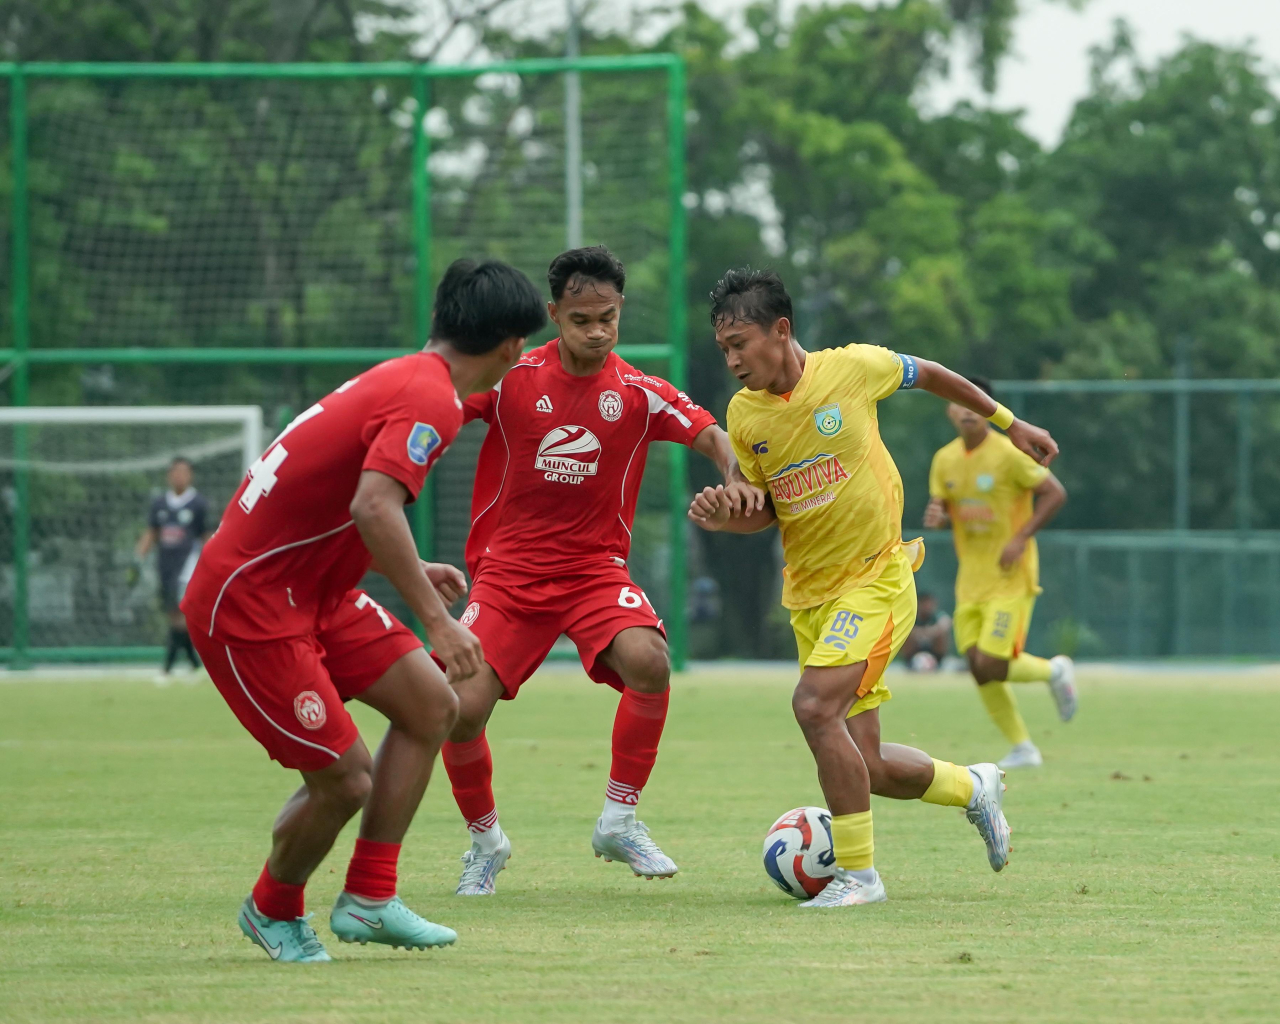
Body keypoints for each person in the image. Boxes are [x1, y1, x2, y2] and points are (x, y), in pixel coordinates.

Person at [180, 259, 546, 962]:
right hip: (251, 604)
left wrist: (407, 563)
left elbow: (335, 506)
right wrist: (436, 621)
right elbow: (372, 505)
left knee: (431, 705)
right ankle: (273, 907)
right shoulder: (431, 401)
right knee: (343, 780)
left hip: (316, 591)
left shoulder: (406, 377)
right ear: (510, 348)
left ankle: (369, 899)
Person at [689, 268, 1061, 909]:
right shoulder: (744, 415)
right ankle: (974, 787)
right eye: (723, 348)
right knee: (872, 765)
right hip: (810, 595)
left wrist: (1008, 423)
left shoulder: (854, 368)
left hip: (877, 578)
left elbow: (933, 373)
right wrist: (732, 517)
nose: (732, 359)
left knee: (813, 707)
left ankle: (858, 876)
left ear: (781, 330)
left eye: (740, 343)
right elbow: (767, 508)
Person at [440, 246, 761, 896]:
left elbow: (709, 434)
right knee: (456, 709)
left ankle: (619, 820)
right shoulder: (511, 379)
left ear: (620, 314)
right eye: (581, 318)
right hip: (509, 578)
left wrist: (735, 476)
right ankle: (485, 843)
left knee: (650, 661)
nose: (596, 331)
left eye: (608, 318)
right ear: (554, 314)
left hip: (593, 573)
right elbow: (440, 398)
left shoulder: (638, 393)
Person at [924, 378, 1076, 769]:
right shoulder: (945, 460)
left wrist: (1020, 538)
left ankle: (1054, 671)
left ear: (987, 406)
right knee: (978, 668)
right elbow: (943, 510)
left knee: (991, 662)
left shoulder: (1009, 454)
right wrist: (937, 518)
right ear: (950, 409)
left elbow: (1055, 493)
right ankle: (1023, 747)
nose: (967, 409)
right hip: (970, 580)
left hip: (1011, 575)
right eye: (959, 402)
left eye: (975, 402)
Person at [134, 456, 210, 682]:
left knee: (179, 615)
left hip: (188, 566)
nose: (180, 476)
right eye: (176, 471)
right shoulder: (160, 504)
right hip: (165, 565)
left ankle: (166, 669)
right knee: (173, 615)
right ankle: (195, 666)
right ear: (169, 475)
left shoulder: (199, 504)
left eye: (184, 472)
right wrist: (137, 559)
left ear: (191, 475)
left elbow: (206, 537)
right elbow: (151, 533)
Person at [899, 591, 951, 671]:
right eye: (925, 603)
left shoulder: (937, 616)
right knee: (906, 635)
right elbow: (903, 627)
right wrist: (919, 633)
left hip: (932, 647)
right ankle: (909, 662)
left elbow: (946, 623)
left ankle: (939, 661)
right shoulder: (913, 616)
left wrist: (927, 633)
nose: (928, 606)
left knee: (942, 635)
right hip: (916, 647)